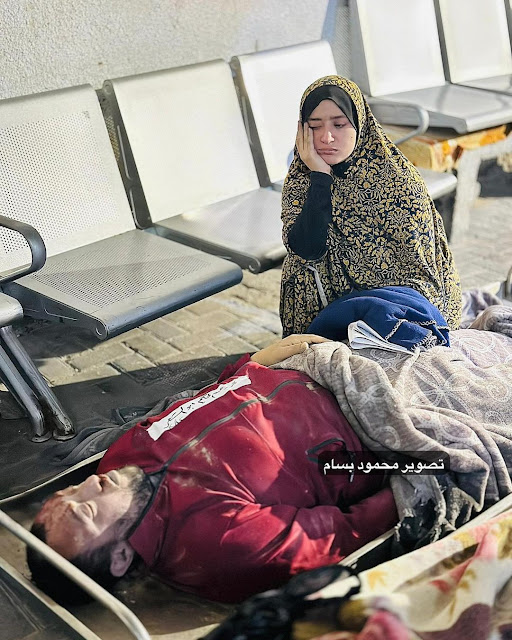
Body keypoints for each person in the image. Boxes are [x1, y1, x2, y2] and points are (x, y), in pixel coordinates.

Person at [27, 335, 397, 605]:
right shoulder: (218, 546)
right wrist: (419, 469)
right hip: (370, 413)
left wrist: (253, 362)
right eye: (87, 508)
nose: (89, 484)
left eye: (69, 491)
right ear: (120, 557)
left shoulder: (119, 464)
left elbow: (197, 404)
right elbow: (352, 530)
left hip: (302, 360)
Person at [280, 75, 462, 337]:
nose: (327, 137)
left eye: (340, 124)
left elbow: (420, 278)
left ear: (360, 125)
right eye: (314, 126)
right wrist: (320, 178)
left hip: (393, 313)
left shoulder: (398, 182)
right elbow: (307, 248)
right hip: (327, 314)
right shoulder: (302, 177)